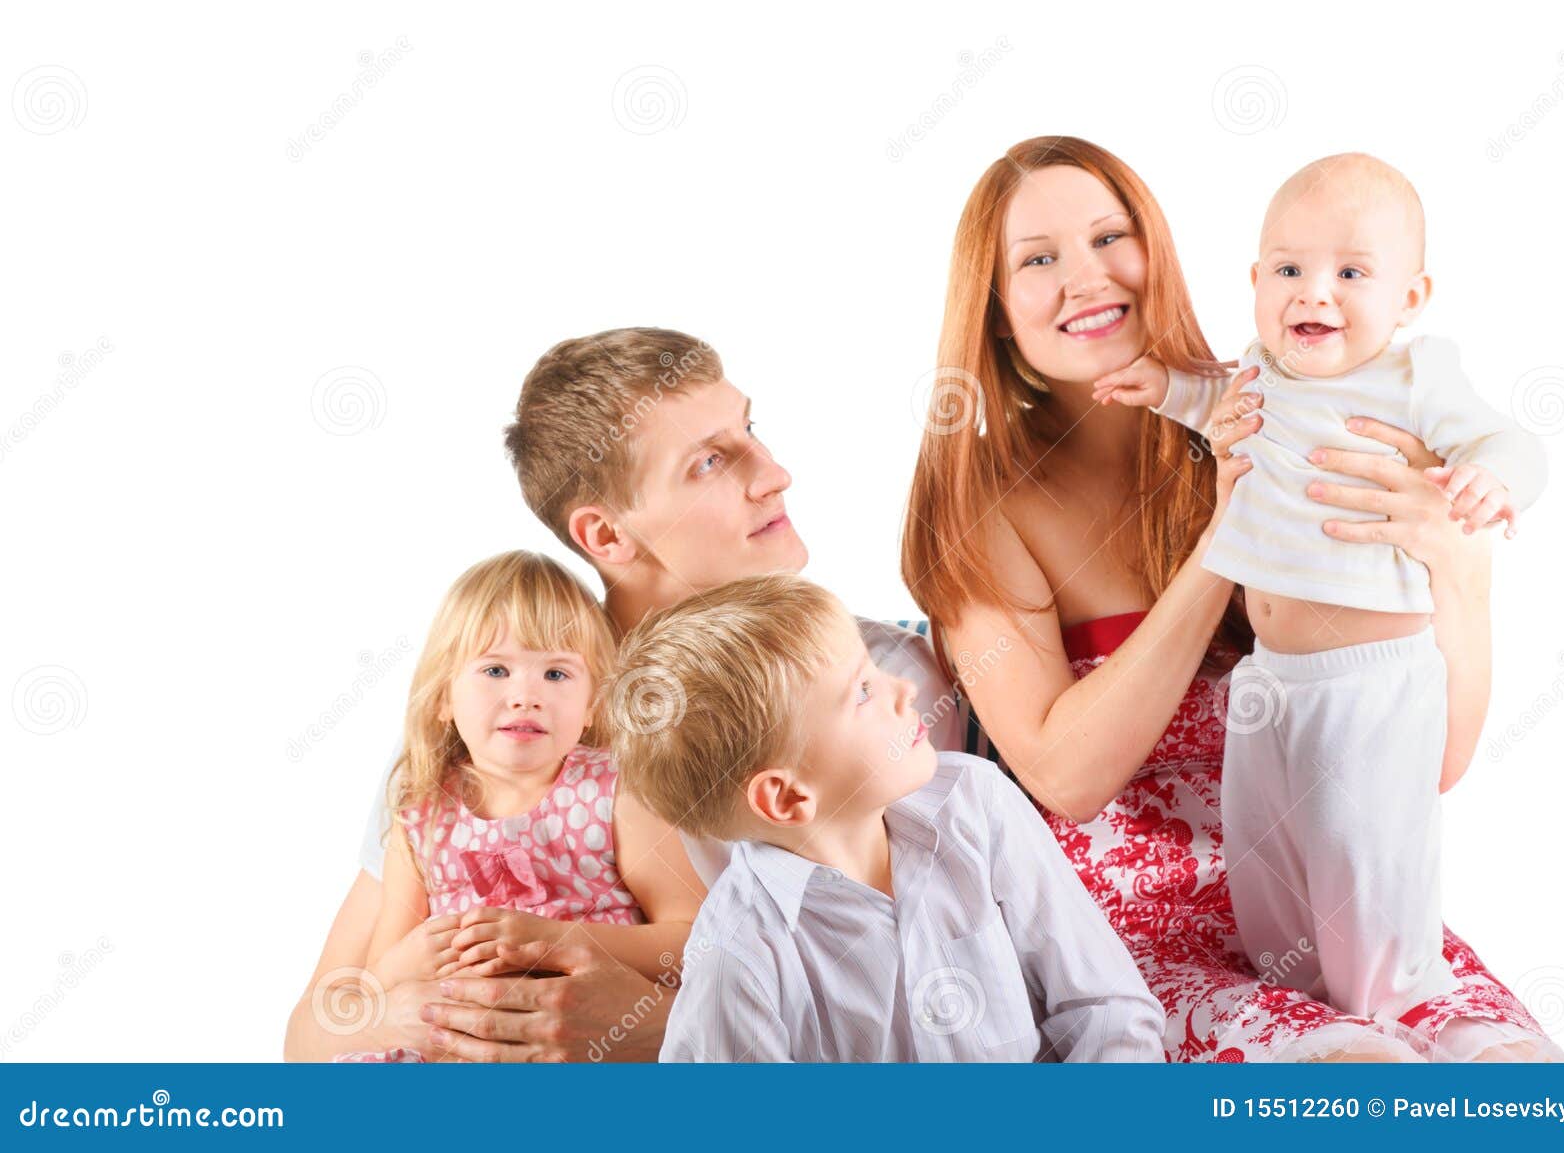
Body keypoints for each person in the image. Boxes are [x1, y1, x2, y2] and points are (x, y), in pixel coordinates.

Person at [901, 135, 1564, 1061]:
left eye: (1109, 237)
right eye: (1038, 259)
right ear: (998, 311)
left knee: (1514, 1076)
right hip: (1133, 938)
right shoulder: (984, 505)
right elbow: (1066, 778)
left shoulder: (1292, 407)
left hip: (1350, 907)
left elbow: (1431, 762)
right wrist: (1230, 527)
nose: (1087, 277)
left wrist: (1460, 565)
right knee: (1355, 1079)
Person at [285, 329, 960, 1061]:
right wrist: (414, 1012)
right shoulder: (493, 727)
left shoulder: (885, 683)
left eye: (751, 430)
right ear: (605, 535)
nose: (775, 474)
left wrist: (654, 1027)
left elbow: (948, 1007)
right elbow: (307, 1040)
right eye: (709, 462)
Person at [1088, 152, 1546, 1024]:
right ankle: (1299, 1000)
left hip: (1371, 680)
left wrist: (1493, 478)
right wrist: (1163, 388)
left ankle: (1396, 1009)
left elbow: (1511, 441)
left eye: (1351, 274)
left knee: (1363, 858)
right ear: (1256, 280)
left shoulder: (1415, 379)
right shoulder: (1263, 369)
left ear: (1409, 298)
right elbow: (1216, 405)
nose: (1315, 294)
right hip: (1269, 678)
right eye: (1290, 270)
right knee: (1266, 853)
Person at [611, 573, 1165, 1062]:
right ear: (787, 798)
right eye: (862, 692)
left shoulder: (977, 802)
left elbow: (1107, 1007)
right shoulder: (737, 955)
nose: (904, 689)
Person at [333, 550, 703, 1062]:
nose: (526, 695)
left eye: (556, 674)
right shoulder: (421, 815)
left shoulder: (616, 793)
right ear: (442, 696)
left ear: (593, 704)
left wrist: (560, 940)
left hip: (581, 1047)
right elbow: (378, 980)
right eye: (496, 669)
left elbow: (692, 943)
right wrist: (412, 959)